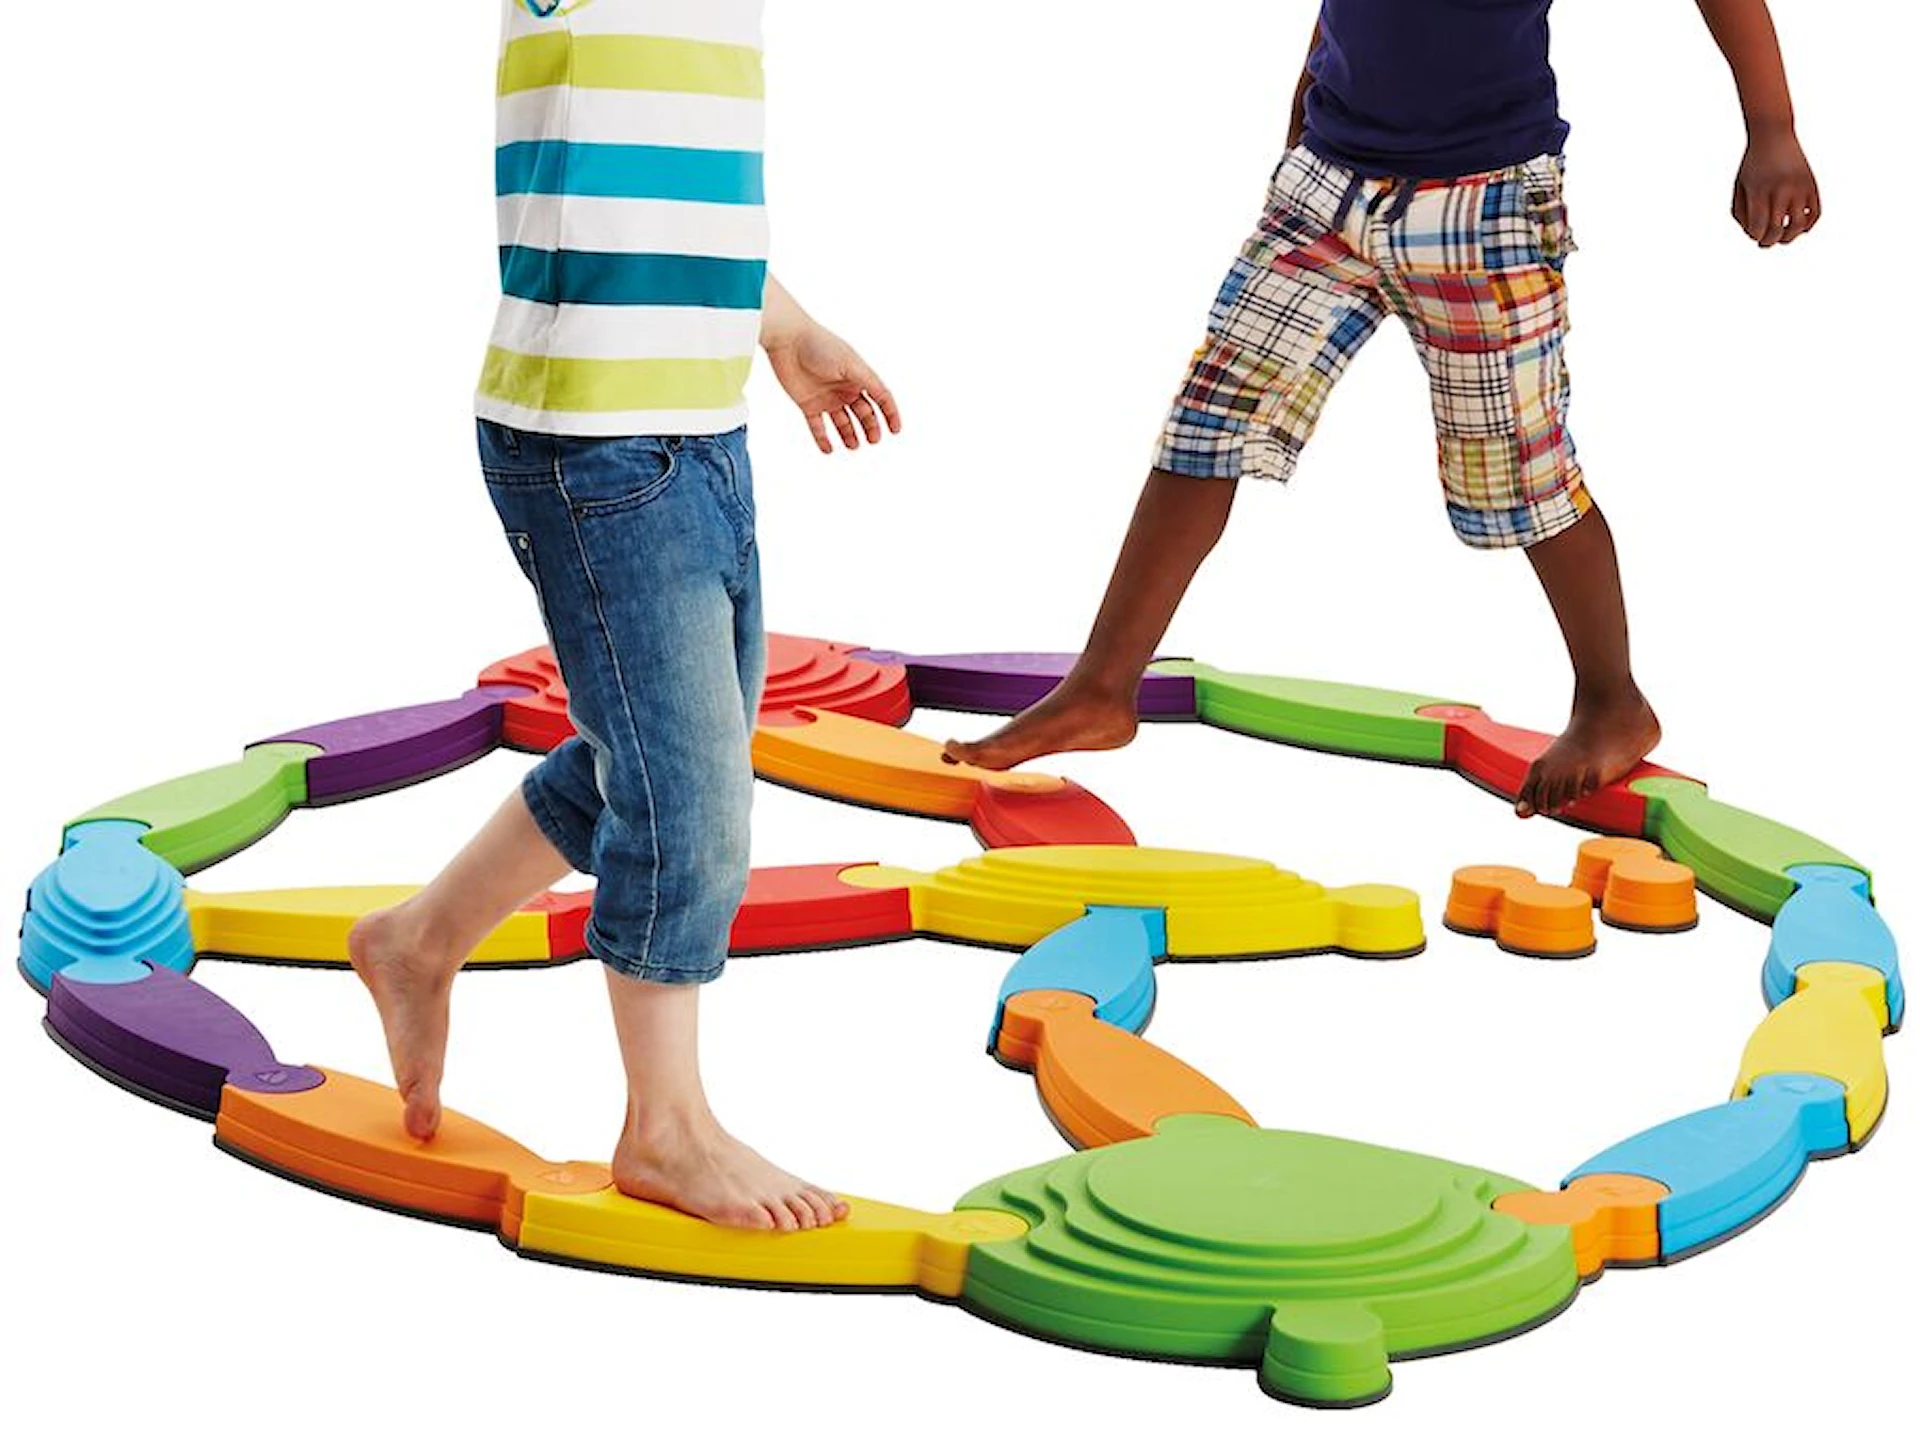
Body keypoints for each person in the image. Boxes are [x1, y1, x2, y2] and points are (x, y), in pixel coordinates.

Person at [945, 0, 1819, 821]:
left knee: (1521, 480)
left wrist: (1772, 130)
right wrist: (1303, 110)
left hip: (1483, 205)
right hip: (1326, 184)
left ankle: (1611, 700)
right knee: (1206, 426)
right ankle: (1102, 688)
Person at [350, 0, 899, 1234]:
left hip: (701, 426)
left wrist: (780, 320)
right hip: (595, 442)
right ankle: (666, 1129)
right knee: (687, 805)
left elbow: (661, 190)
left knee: (657, 761)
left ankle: (420, 940)